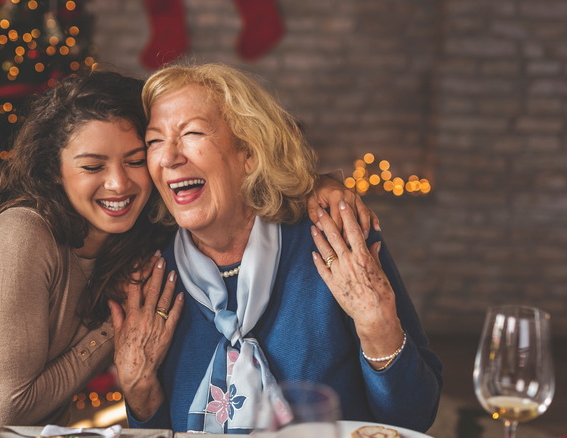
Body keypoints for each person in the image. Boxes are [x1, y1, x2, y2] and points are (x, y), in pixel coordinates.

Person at [0, 69, 373, 426]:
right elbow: (14, 406)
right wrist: (109, 330)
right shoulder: (24, 233)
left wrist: (321, 186)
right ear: (55, 171)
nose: (118, 183)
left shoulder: (143, 238)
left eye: (137, 159)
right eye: (92, 166)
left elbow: (247, 177)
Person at [110, 63, 442, 434]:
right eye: (154, 141)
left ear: (248, 153)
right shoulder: (153, 276)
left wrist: (378, 326)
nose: (169, 157)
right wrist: (139, 390)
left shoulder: (335, 238)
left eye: (192, 133)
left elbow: (415, 418)